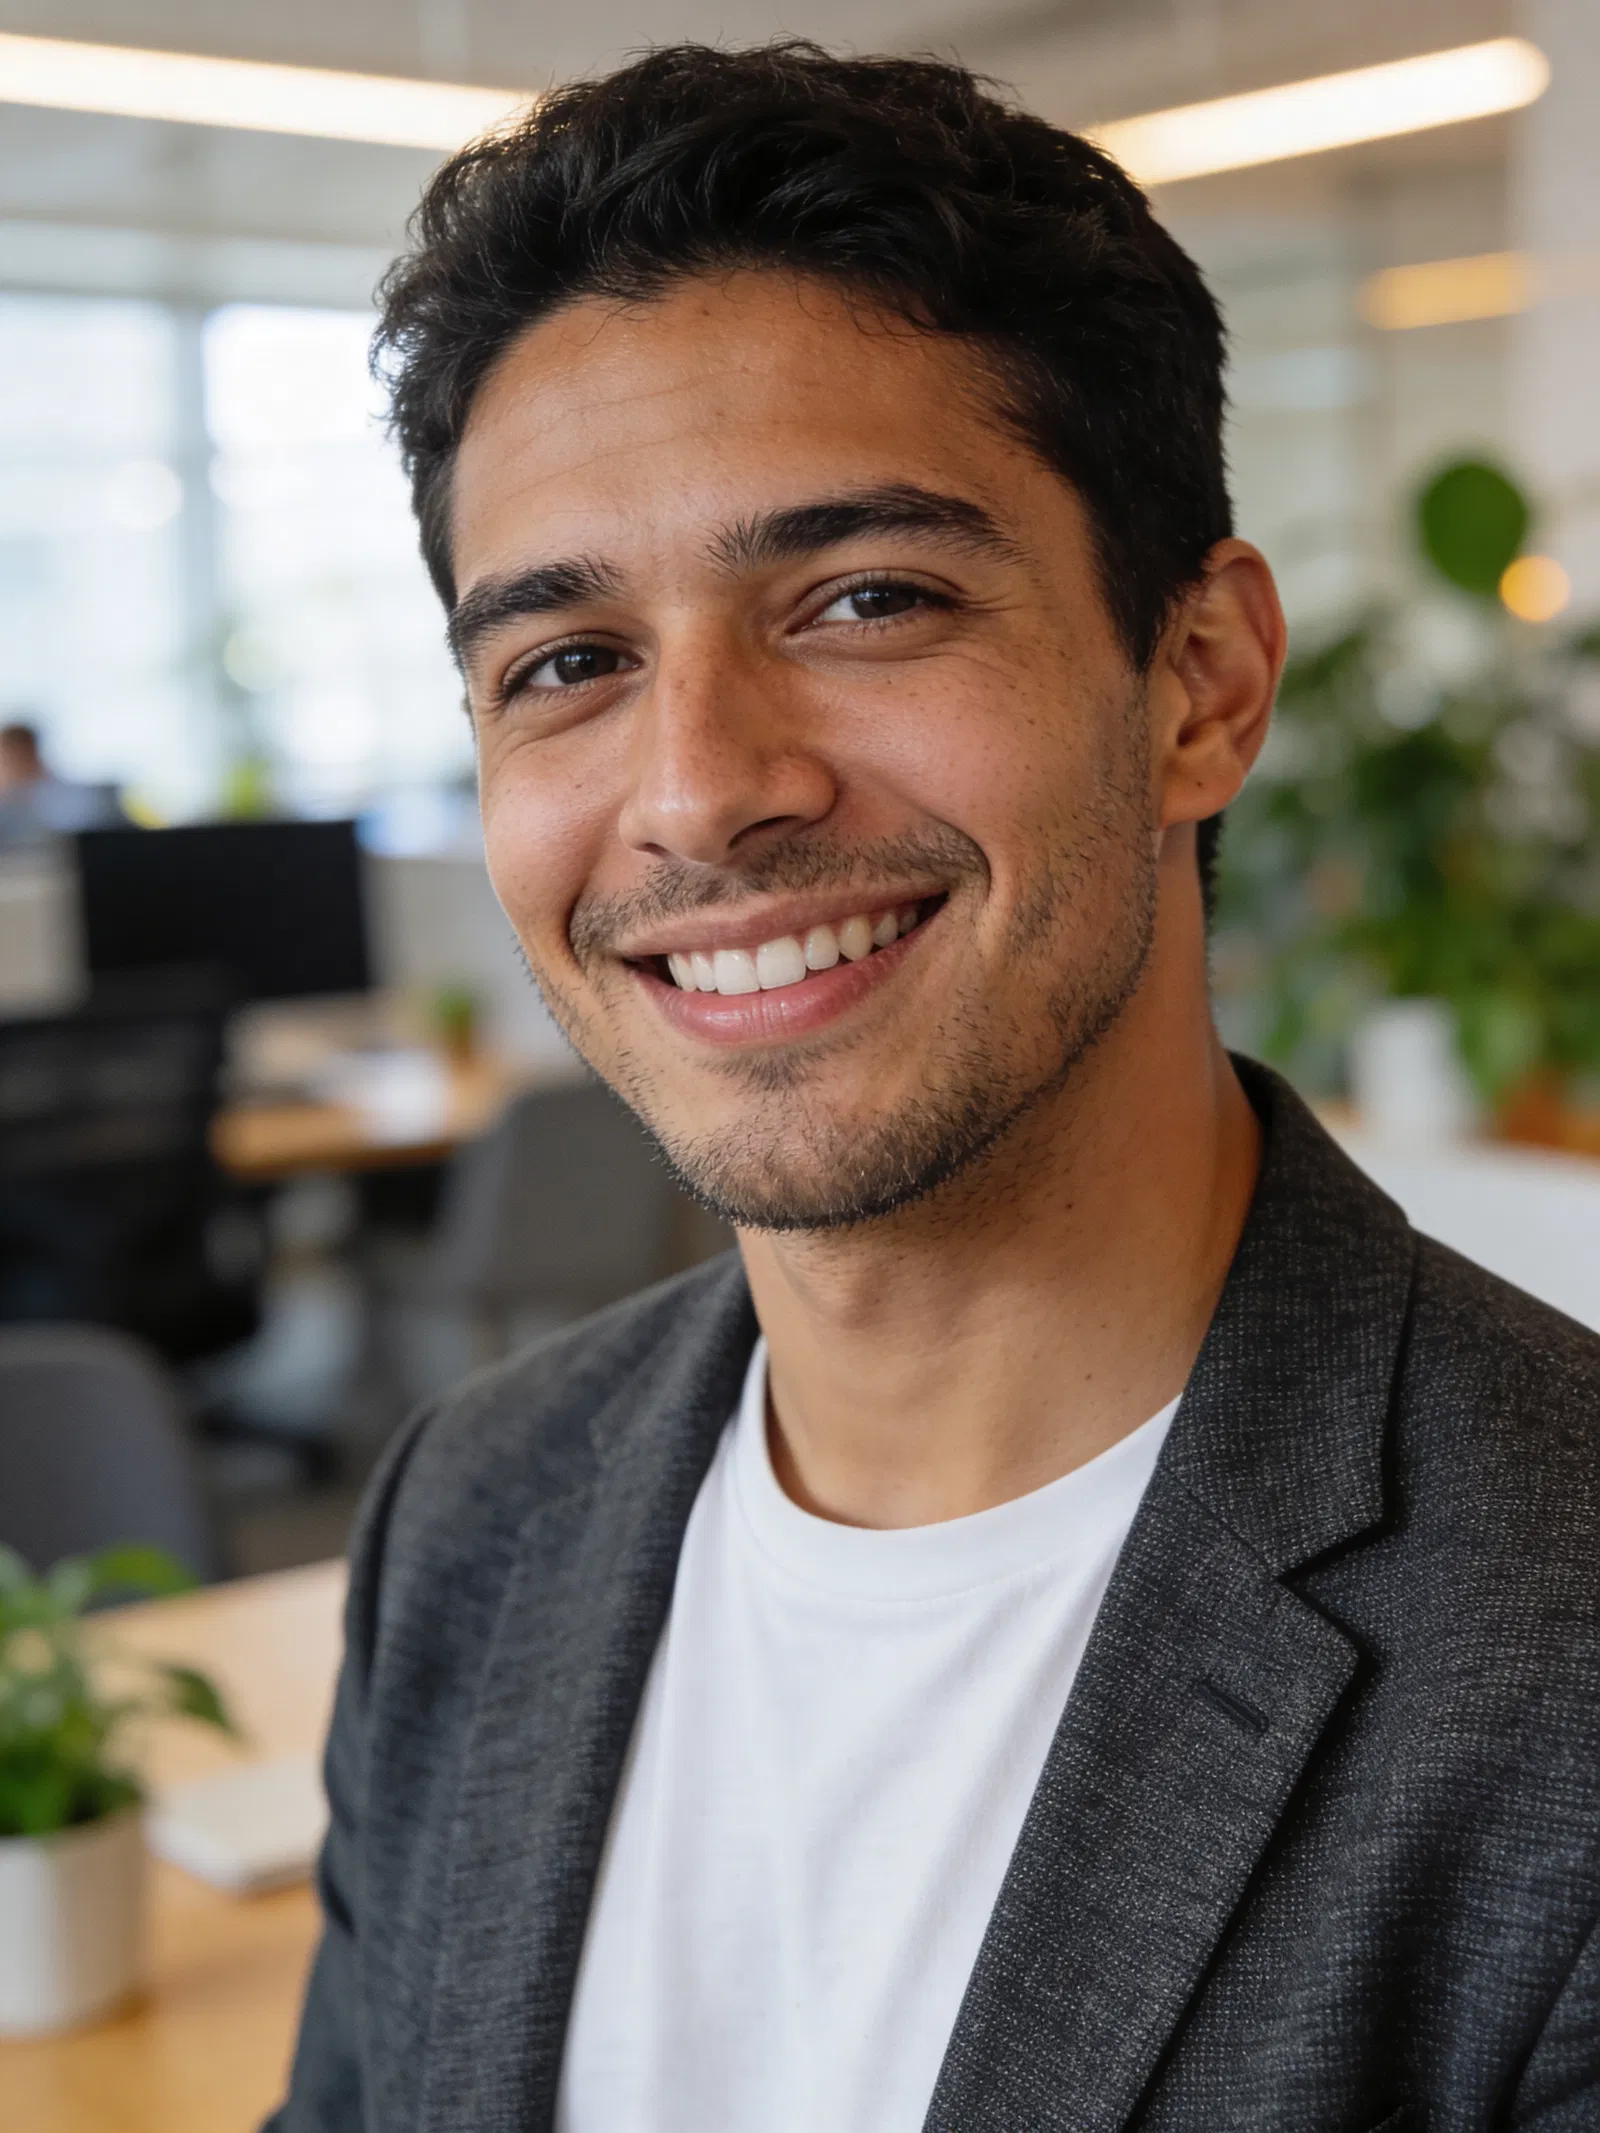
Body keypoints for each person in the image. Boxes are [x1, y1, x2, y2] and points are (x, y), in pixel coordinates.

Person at [266, 45, 1599, 2133]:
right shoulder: (476, 1508)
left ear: (1199, 685)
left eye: (866, 598)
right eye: (565, 661)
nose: (698, 784)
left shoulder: (1555, 1650)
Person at [0, 718, 123, 846]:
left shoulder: (66, 796)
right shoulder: (5, 799)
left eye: (20, 754)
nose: (16, 763)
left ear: (32, 752)